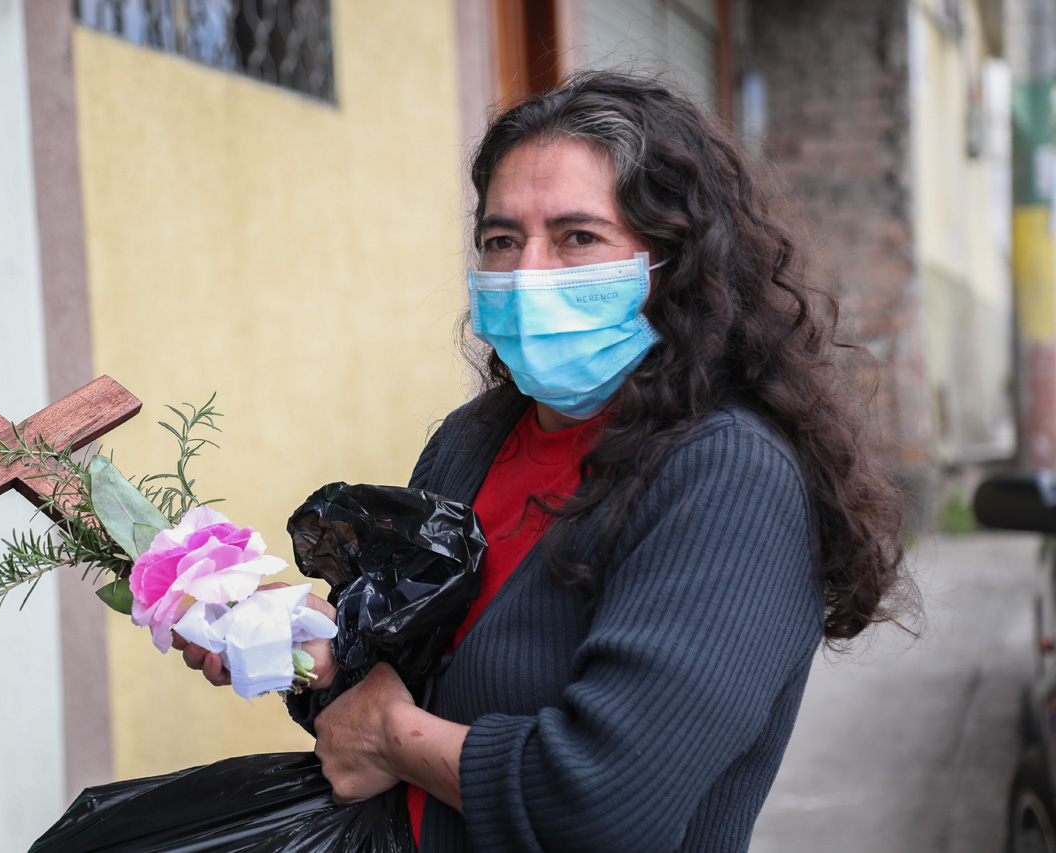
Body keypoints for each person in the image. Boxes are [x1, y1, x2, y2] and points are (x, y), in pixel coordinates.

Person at [174, 70, 913, 852]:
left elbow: (604, 801)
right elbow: (396, 684)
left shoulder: (728, 475)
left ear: (678, 261)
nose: (527, 273)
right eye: (501, 240)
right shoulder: (471, 439)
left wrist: (396, 738)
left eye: (577, 237)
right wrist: (295, 647)